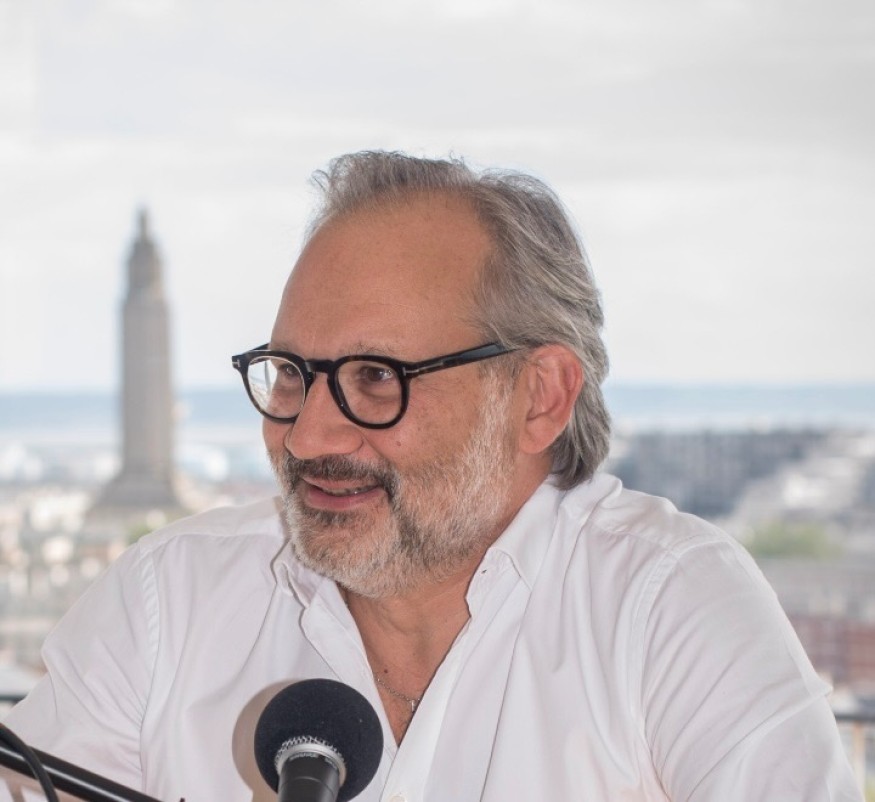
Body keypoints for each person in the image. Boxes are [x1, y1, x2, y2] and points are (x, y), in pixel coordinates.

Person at [4, 151, 861, 801]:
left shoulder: (667, 603)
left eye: (378, 377)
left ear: (538, 397)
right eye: (293, 373)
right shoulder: (166, 601)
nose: (307, 433)